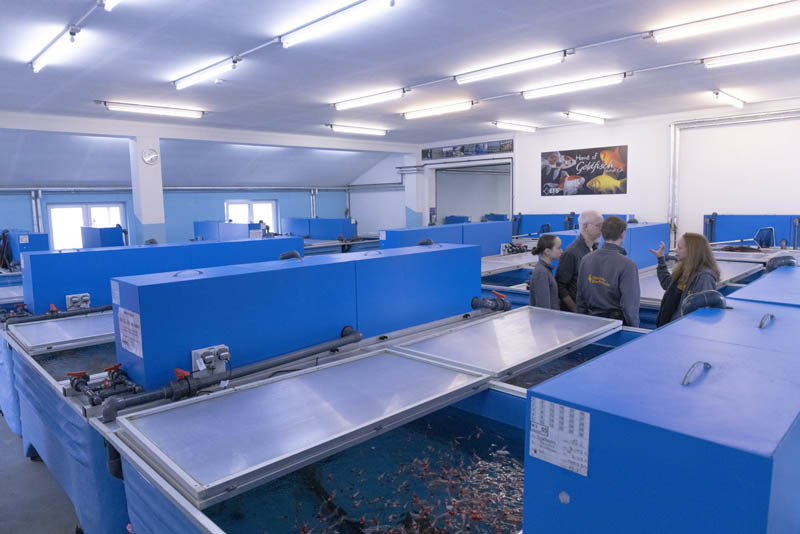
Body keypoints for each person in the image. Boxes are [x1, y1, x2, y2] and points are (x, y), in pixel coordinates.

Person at [577, 216, 640, 326]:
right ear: (623, 234)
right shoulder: (627, 265)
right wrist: (635, 330)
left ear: (602, 233)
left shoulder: (586, 259)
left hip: (590, 323)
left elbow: (580, 297)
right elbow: (630, 305)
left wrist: (583, 322)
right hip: (616, 326)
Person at [649, 233, 720, 326]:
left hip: (681, 329)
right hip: (669, 326)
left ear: (692, 251)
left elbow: (700, 313)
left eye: (679, 248)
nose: (676, 250)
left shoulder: (704, 277)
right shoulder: (684, 270)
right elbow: (667, 284)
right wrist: (660, 259)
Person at [555, 210, 603, 312]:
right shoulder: (571, 253)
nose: (602, 229)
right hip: (577, 313)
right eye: (598, 225)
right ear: (585, 227)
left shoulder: (595, 250)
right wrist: (576, 309)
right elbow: (560, 286)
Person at [529, 235, 562, 310]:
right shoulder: (542, 273)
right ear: (547, 251)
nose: (561, 251)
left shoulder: (546, 270)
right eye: (558, 248)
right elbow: (543, 308)